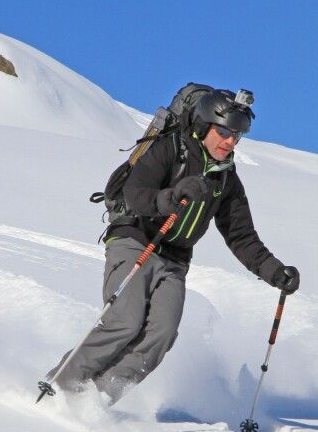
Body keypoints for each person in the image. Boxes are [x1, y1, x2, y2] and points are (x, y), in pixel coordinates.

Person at [48, 88, 299, 402]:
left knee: (162, 334)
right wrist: (172, 196)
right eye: (223, 132)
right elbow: (135, 194)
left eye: (236, 136)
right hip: (136, 240)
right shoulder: (171, 150)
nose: (230, 142)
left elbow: (241, 236)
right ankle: (60, 387)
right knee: (124, 321)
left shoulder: (226, 181)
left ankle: (96, 400)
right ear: (205, 126)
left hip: (175, 260)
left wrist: (275, 272)